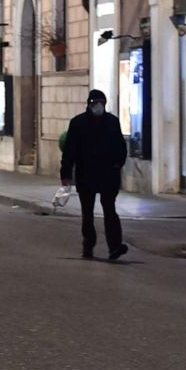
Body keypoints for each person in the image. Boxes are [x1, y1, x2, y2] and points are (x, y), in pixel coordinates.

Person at [61, 89, 129, 261]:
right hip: (86, 174)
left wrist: (117, 164)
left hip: (108, 174)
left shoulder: (112, 122)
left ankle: (115, 246)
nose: (99, 106)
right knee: (88, 212)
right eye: (95, 102)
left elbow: (121, 147)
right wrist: (66, 174)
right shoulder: (78, 123)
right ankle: (88, 246)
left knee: (110, 210)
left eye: (101, 102)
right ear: (89, 104)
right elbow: (69, 151)